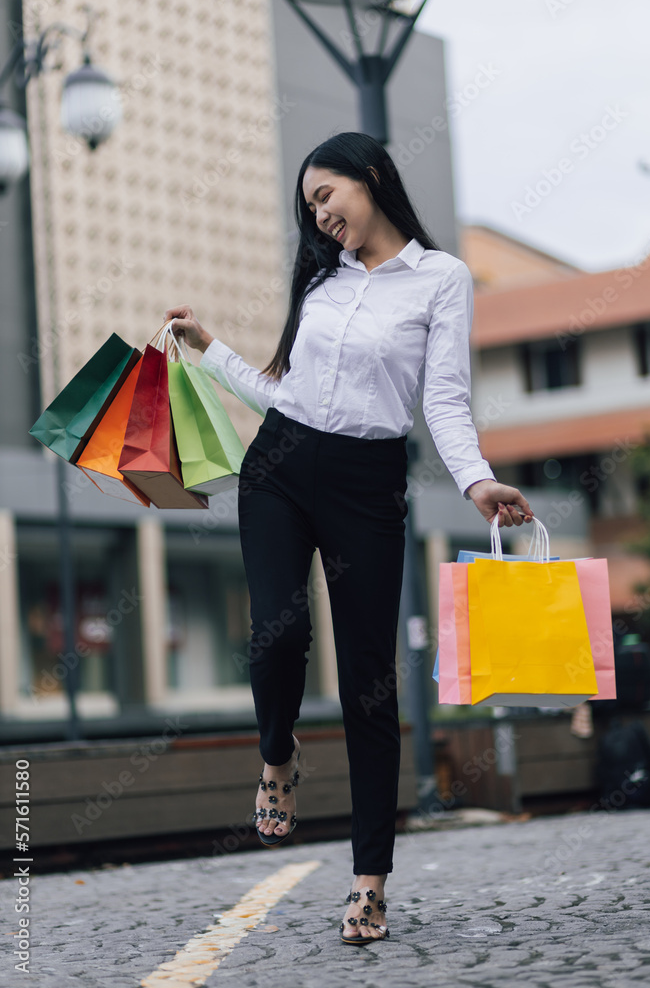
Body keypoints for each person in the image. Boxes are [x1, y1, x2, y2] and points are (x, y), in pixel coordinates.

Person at [164, 131, 533, 945]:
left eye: (325, 194)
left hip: (367, 483)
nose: (319, 215)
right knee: (277, 632)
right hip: (280, 463)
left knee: (369, 679)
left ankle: (369, 883)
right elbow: (279, 389)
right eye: (309, 207)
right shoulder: (322, 279)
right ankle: (276, 759)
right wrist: (208, 347)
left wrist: (476, 481)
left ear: (369, 177)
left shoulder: (441, 279)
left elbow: (442, 399)